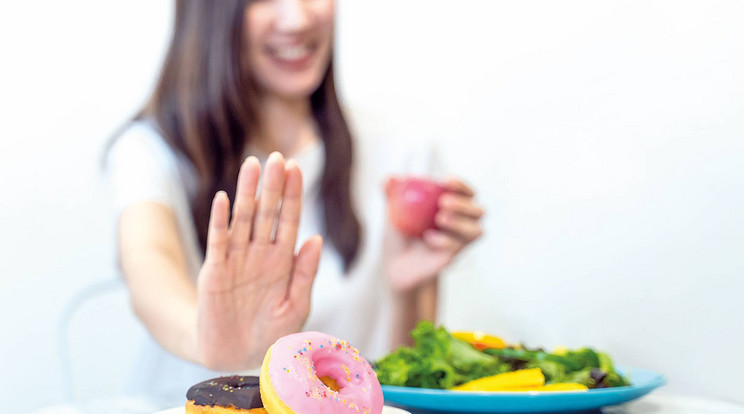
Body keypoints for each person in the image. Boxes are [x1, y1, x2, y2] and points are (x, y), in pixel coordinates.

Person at [106, 0, 483, 404]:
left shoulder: (402, 154)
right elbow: (149, 263)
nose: (299, 18)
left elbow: (405, 391)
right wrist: (208, 338)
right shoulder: (151, 150)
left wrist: (404, 291)